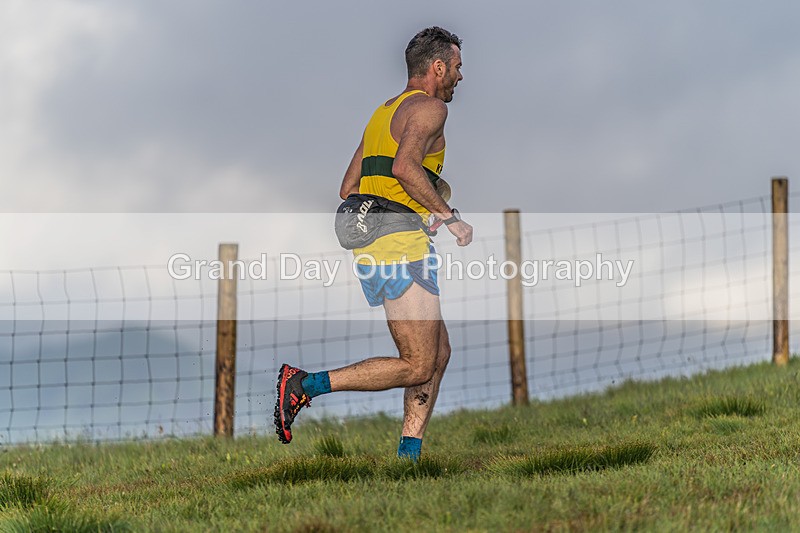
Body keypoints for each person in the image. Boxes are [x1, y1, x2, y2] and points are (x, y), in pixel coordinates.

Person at [274, 26, 473, 461]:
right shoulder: (431, 109)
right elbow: (405, 168)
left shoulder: (383, 114)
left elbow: (350, 186)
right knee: (418, 362)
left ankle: (409, 459)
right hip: (397, 244)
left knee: (438, 353)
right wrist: (447, 215)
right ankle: (303, 385)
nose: (461, 76)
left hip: (381, 239)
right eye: (457, 67)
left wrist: (415, 205)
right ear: (438, 67)